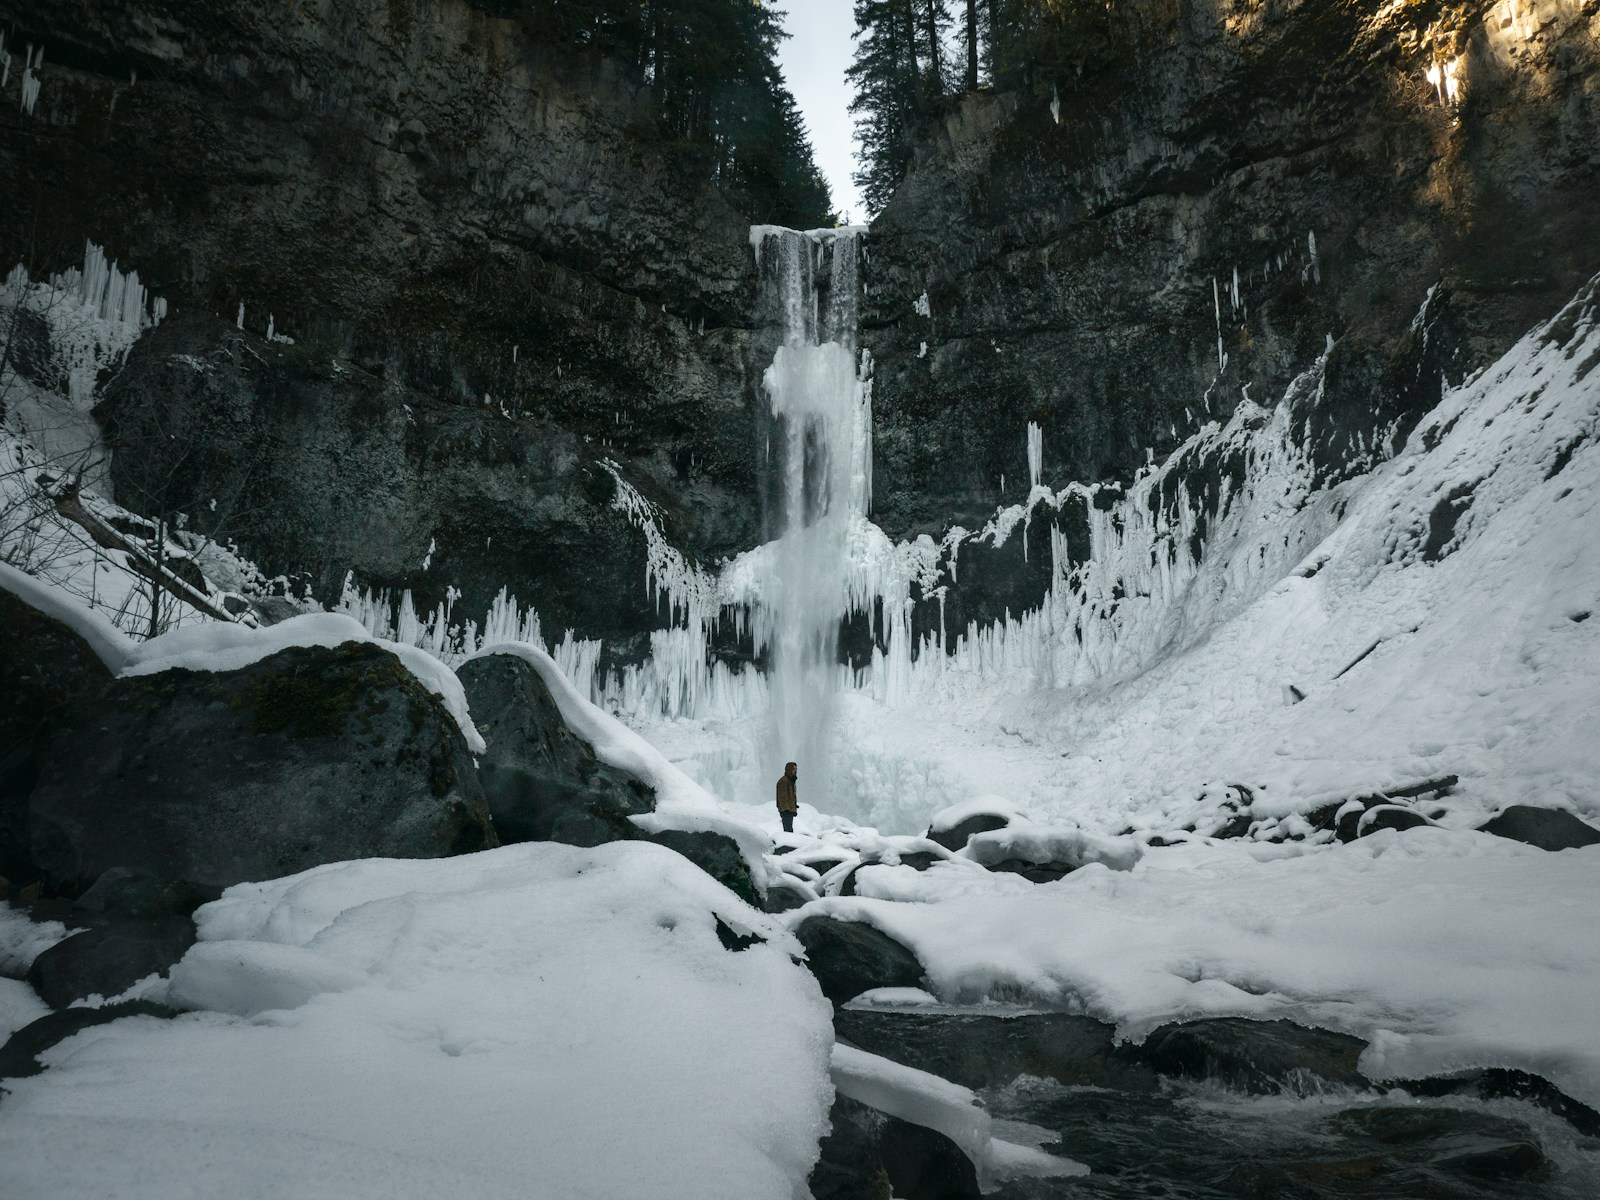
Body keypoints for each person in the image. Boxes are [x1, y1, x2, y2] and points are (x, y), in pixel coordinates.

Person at [775, 761, 798, 834]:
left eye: (796, 769)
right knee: (788, 830)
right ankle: (787, 841)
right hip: (786, 811)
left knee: (789, 829)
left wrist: (794, 808)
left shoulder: (790, 781)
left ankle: (789, 840)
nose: (795, 771)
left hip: (789, 810)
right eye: (793, 769)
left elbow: (791, 797)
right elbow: (782, 797)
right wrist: (786, 809)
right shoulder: (784, 781)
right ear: (789, 769)